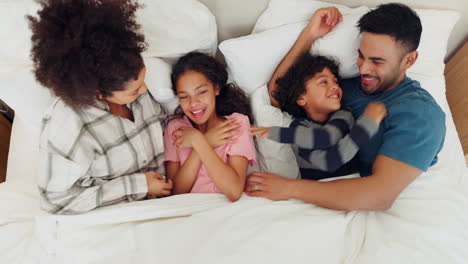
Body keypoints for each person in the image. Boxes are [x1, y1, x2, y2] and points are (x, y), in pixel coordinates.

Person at [246, 3, 446, 211]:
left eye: (377, 62)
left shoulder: (420, 115)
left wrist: (289, 188)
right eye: (361, 56)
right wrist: (310, 34)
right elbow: (279, 93)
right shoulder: (347, 88)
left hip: (365, 199)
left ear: (409, 60)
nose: (363, 69)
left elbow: (379, 197)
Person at [29, 0, 172, 214]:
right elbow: (55, 201)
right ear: (99, 92)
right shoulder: (68, 125)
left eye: (143, 80)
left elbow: (165, 127)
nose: (144, 90)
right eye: (133, 90)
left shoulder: (139, 90)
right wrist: (138, 185)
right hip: (112, 217)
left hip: (167, 202)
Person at [251, 53, 387, 180]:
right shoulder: (299, 127)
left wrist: (275, 133)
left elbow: (326, 138)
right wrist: (366, 126)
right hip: (316, 191)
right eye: (323, 82)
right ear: (301, 98)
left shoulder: (343, 114)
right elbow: (329, 161)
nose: (334, 86)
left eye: (335, 82)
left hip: (349, 183)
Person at [164, 52, 257, 202]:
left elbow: (234, 191)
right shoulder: (175, 128)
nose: (194, 103)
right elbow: (175, 193)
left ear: (216, 89)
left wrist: (199, 142)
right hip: (186, 210)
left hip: (224, 209)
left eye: (201, 92)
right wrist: (202, 141)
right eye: (184, 96)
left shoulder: (236, 124)